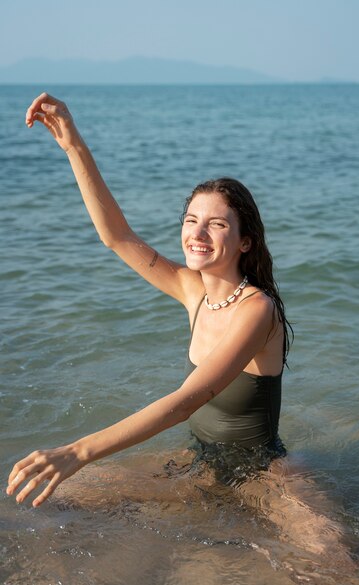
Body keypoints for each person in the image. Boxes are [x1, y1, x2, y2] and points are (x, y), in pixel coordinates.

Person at [6, 92, 293, 509]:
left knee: (331, 567)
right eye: (191, 221)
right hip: (202, 461)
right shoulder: (192, 290)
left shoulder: (257, 310)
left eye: (216, 225)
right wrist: (73, 146)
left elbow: (184, 403)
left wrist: (78, 451)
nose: (198, 234)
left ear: (244, 242)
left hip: (262, 475)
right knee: (56, 501)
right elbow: (117, 237)